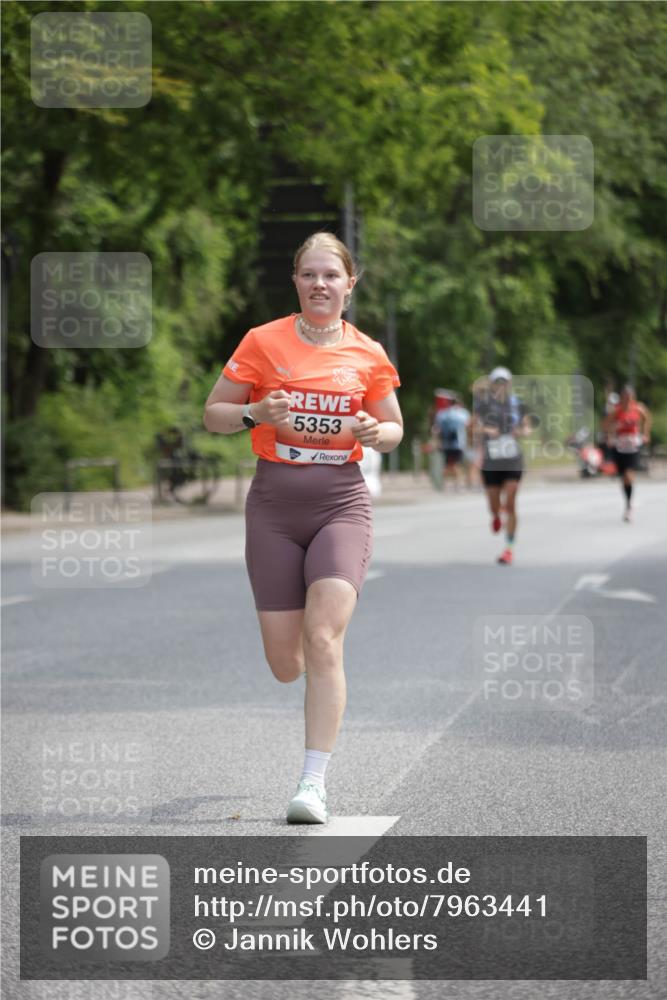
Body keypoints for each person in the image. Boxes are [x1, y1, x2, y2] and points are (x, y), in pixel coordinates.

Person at [203, 232, 403, 823]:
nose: (321, 284)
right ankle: (301, 677)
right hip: (273, 505)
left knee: (323, 639)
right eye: (310, 274)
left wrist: (375, 433)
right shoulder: (262, 341)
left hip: (342, 501)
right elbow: (213, 414)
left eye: (331, 276)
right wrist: (252, 413)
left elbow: (393, 426)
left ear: (350, 283)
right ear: (296, 280)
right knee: (286, 663)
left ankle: (312, 784)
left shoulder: (367, 352)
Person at [472, 367, 530, 565]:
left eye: (503, 382)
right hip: (491, 461)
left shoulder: (517, 404)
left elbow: (528, 428)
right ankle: (496, 515)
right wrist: (488, 429)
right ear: (492, 384)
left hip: (512, 458)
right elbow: (472, 425)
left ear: (509, 383)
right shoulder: (484, 404)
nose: (500, 386)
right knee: (494, 504)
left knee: (512, 501)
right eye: (497, 382)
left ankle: (509, 549)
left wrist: (519, 432)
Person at [602, 384, 651, 522]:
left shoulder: (638, 408)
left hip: (633, 446)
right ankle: (628, 503)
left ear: (633, 397)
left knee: (629, 475)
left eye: (630, 397)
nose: (627, 400)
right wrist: (612, 434)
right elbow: (605, 425)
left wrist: (645, 434)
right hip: (620, 446)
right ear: (622, 397)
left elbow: (647, 419)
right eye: (625, 397)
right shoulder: (616, 411)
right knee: (624, 478)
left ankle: (629, 507)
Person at [432, 394, 471, 491]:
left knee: (446, 464)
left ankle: (444, 485)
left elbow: (436, 429)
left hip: (445, 443)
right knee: (457, 464)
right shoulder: (463, 413)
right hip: (459, 444)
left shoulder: (442, 414)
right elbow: (468, 426)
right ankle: (457, 485)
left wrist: (437, 441)